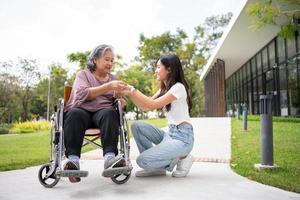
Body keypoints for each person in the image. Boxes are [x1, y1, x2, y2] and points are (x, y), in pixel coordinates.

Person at [121, 54, 194, 178]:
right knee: (137, 126)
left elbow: (152, 104)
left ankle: (184, 157)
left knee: (141, 161)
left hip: (182, 138)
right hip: (169, 135)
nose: (156, 70)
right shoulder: (164, 89)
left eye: (158, 67)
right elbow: (146, 106)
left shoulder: (178, 87)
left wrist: (132, 90)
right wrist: (128, 94)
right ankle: (155, 168)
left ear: (169, 69)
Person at [63, 44, 127, 183]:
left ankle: (110, 159)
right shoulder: (83, 74)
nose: (110, 63)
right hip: (82, 110)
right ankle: (73, 162)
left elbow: (123, 102)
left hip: (103, 114)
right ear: (95, 60)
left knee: (110, 113)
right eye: (106, 59)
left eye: (112, 60)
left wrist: (120, 99)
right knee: (73, 114)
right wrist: (108, 86)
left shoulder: (114, 78)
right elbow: (82, 93)